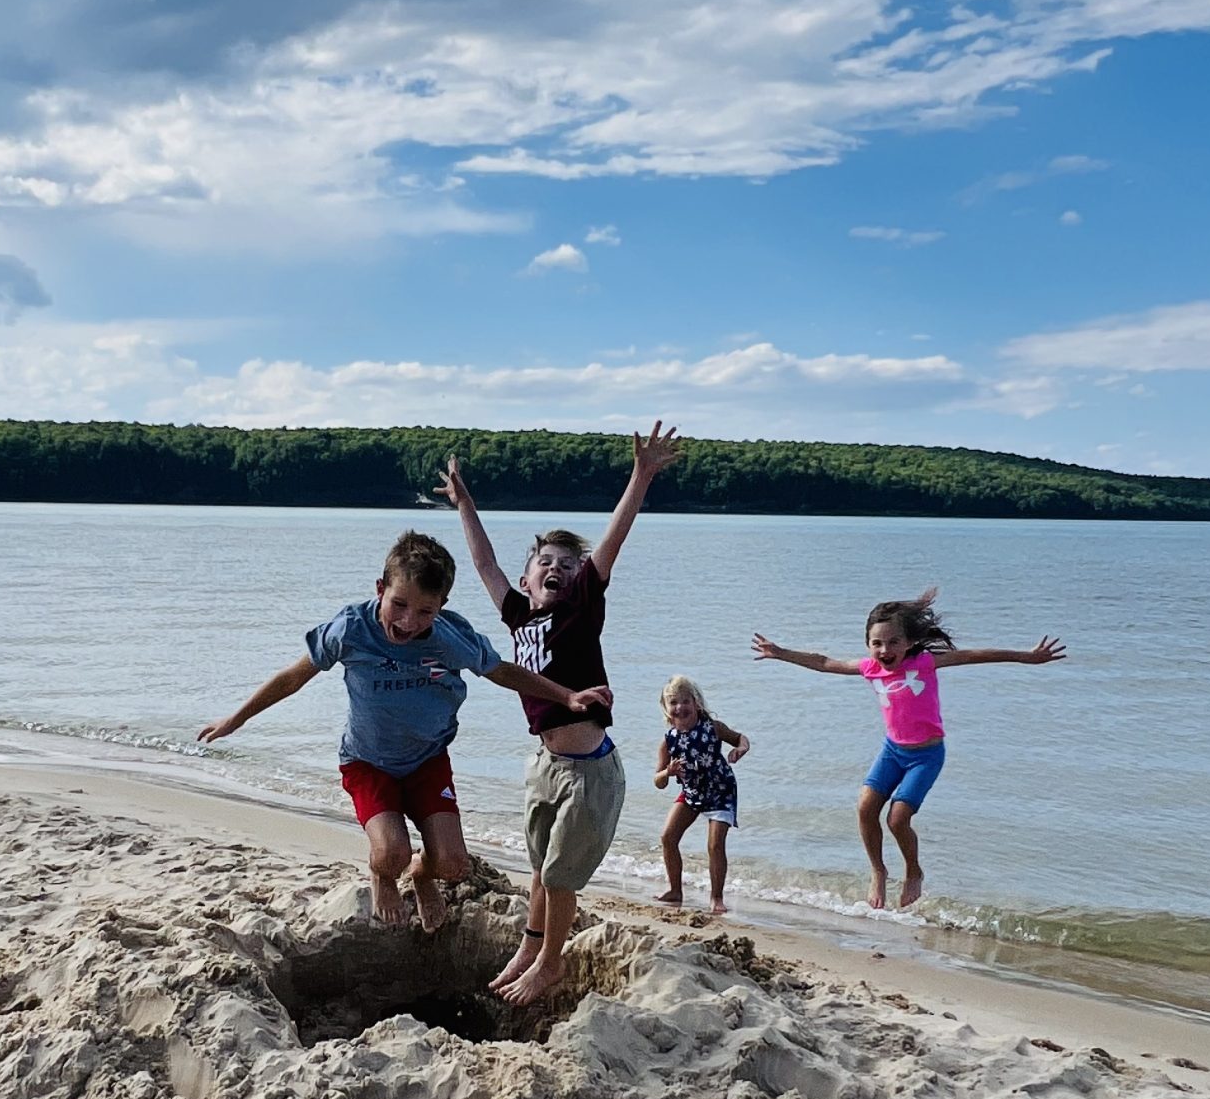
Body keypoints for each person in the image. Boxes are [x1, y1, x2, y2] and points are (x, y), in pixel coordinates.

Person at [198, 528, 608, 932]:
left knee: (453, 865)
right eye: (399, 604)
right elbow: (292, 677)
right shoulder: (351, 630)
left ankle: (421, 873)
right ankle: (383, 874)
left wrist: (566, 696)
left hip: (428, 760)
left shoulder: (451, 638)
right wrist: (237, 718)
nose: (409, 622)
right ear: (380, 588)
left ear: (442, 606)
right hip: (367, 762)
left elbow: (501, 671)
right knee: (389, 852)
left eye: (425, 611)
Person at [436, 422, 684, 1005]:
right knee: (539, 869)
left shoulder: (579, 611)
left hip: (591, 772)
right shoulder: (519, 616)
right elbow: (483, 564)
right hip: (545, 765)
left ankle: (550, 963)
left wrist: (641, 475)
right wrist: (466, 504)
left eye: (568, 565)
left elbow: (611, 544)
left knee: (559, 877)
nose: (557, 569)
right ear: (527, 580)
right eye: (546, 562)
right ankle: (530, 944)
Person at [752, 591, 1066, 911]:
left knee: (898, 819)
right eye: (877, 643)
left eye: (892, 642)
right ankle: (878, 870)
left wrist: (1025, 656)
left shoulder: (925, 663)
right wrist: (780, 652)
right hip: (892, 751)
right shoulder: (869, 668)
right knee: (864, 809)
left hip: (926, 756)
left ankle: (913, 871)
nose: (884, 650)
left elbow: (975, 655)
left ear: (907, 643)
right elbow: (823, 662)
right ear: (868, 645)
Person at [654, 676, 749, 915]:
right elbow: (659, 782)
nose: (680, 707)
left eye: (685, 701)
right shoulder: (668, 741)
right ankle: (675, 890)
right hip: (692, 792)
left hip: (720, 790)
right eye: (673, 702)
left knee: (715, 844)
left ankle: (716, 898)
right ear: (666, 709)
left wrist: (740, 749)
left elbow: (740, 739)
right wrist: (668, 771)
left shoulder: (713, 727)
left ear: (696, 703)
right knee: (667, 836)